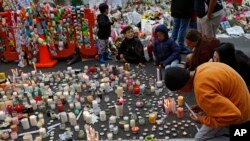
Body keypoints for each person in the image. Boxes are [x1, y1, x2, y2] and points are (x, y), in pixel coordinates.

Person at [164, 62, 250, 141]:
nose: (180, 93)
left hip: (241, 115)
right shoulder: (201, 68)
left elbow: (234, 115)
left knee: (200, 139)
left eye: (179, 91)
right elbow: (217, 92)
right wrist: (202, 106)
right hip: (243, 102)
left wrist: (201, 119)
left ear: (183, 86)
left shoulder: (202, 90)